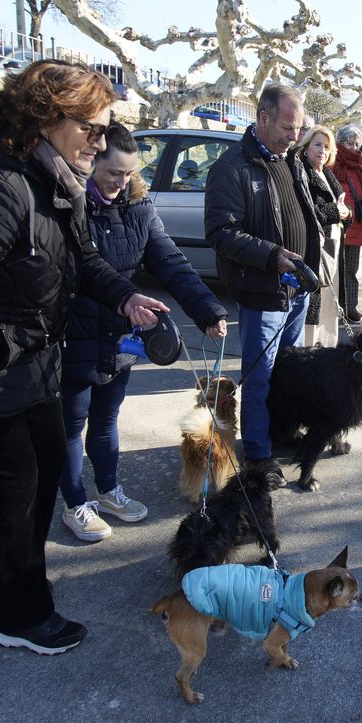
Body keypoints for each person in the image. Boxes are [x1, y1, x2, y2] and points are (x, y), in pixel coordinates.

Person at [0, 60, 168, 653]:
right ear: (45, 118)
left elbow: (82, 260)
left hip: (33, 366)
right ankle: (18, 615)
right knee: (11, 496)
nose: (101, 143)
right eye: (91, 129)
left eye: (106, 130)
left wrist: (124, 297)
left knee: (43, 471)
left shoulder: (54, 180)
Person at [58, 122, 228, 542]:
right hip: (75, 330)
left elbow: (169, 261)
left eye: (129, 173)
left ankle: (109, 490)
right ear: (90, 159)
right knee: (71, 423)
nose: (120, 182)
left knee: (107, 417)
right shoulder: (69, 205)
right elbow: (77, 269)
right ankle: (75, 502)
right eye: (112, 172)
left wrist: (207, 309)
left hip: (123, 333)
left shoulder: (139, 206)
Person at [205, 84, 322, 489]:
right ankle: (257, 454)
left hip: (297, 291)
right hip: (263, 292)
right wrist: (272, 256)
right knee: (261, 376)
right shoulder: (232, 167)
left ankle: (278, 435)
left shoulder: (292, 160)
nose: (295, 136)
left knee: (288, 375)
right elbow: (221, 232)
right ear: (264, 118)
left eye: (300, 128)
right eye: (289, 127)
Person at [296, 123, 350, 347]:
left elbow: (342, 206)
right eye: (317, 144)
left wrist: (347, 213)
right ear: (307, 147)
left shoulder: (326, 172)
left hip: (333, 245)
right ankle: (310, 346)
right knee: (316, 299)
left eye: (327, 147)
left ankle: (326, 346)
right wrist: (336, 212)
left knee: (330, 299)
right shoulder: (304, 173)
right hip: (317, 247)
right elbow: (310, 212)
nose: (322, 150)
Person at [332, 125, 362, 323]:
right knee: (334, 270)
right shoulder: (333, 163)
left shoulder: (359, 166)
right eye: (350, 143)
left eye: (357, 144)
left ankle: (350, 307)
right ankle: (335, 308)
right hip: (336, 223)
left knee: (351, 269)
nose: (354, 147)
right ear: (340, 142)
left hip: (356, 224)